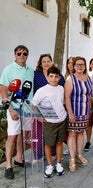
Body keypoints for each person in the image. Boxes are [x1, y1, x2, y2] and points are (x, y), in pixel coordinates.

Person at [0, 45, 34, 179]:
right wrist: (10, 108)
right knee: (12, 136)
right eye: (19, 53)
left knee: (23, 135)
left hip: (27, 108)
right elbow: (3, 89)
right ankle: (9, 166)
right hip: (14, 108)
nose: (22, 56)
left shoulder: (30, 70)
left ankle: (19, 159)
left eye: (25, 54)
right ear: (15, 55)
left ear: (27, 55)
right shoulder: (9, 69)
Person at [31, 66, 67, 178]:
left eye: (56, 76)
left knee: (59, 142)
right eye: (51, 76)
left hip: (61, 120)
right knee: (48, 144)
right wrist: (39, 117)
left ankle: (59, 163)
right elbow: (33, 105)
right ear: (47, 77)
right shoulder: (42, 90)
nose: (54, 79)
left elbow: (63, 102)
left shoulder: (61, 88)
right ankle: (50, 165)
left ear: (59, 77)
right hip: (49, 122)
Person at [33, 53, 65, 160]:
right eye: (44, 61)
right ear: (40, 64)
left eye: (48, 61)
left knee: (55, 136)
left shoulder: (58, 76)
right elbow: (34, 97)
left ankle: (54, 155)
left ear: (51, 62)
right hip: (42, 110)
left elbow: (62, 93)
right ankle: (40, 155)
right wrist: (37, 114)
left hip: (57, 113)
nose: (46, 63)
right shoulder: (36, 75)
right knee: (41, 134)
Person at [65, 56, 92, 172]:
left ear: (85, 66)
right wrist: (70, 113)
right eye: (77, 65)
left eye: (82, 64)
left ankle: (79, 155)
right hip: (74, 112)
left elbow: (89, 95)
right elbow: (66, 97)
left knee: (81, 133)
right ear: (74, 66)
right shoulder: (70, 79)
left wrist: (90, 109)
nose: (80, 67)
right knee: (72, 134)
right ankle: (72, 158)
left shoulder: (88, 78)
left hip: (85, 112)